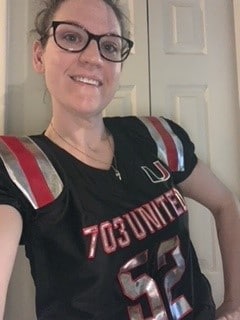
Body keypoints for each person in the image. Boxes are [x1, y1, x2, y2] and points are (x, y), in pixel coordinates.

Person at [0, 0, 239, 319]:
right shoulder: (20, 168)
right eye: (71, 38)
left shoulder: (156, 136)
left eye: (110, 45)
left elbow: (225, 203)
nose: (92, 57)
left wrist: (234, 302)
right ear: (39, 56)